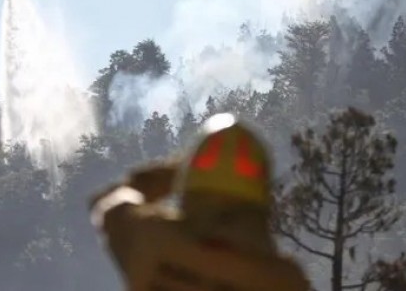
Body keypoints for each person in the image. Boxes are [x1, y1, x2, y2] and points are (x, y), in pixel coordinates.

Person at [89, 112, 310, 291]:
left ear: (189, 189)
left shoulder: (152, 240)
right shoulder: (284, 280)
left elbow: (110, 205)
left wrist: (173, 174)